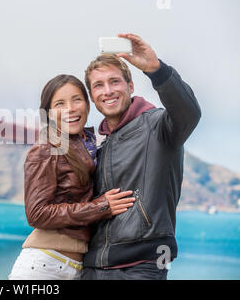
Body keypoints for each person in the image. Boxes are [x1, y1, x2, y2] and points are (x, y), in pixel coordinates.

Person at [81, 33, 201, 280]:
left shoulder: (158, 125)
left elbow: (189, 113)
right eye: (98, 85)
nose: (108, 91)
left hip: (140, 267)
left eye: (115, 81)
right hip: (93, 267)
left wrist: (157, 70)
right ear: (92, 97)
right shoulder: (95, 143)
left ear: (130, 86)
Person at [8, 74, 136, 280]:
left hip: (76, 268)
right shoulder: (45, 149)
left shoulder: (91, 145)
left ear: (87, 104)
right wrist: (100, 207)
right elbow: (37, 214)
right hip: (44, 267)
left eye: (77, 99)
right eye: (60, 103)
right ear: (48, 114)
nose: (70, 108)